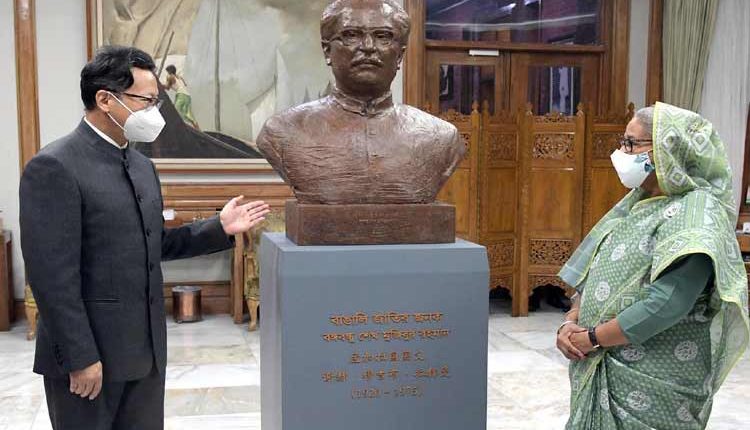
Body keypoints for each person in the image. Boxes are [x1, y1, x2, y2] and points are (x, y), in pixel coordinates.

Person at [19, 45, 270, 429]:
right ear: (105, 100)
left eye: (157, 101)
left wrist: (218, 227)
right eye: (146, 101)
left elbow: (154, 244)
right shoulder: (55, 166)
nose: (155, 112)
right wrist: (79, 356)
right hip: (90, 359)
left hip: (145, 354)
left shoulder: (141, 166)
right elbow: (52, 278)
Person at [556, 102, 749, 429]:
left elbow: (667, 303)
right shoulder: (638, 203)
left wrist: (593, 338)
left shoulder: (697, 214)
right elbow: (597, 271)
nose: (622, 152)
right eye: (623, 142)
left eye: (631, 144)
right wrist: (569, 323)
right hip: (599, 358)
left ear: (666, 149)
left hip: (653, 379)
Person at [256, 0, 465, 205]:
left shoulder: (442, 137)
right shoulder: (283, 130)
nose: (368, 47)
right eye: (351, 35)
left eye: (383, 37)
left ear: (400, 55)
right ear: (327, 50)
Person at [163, 64, 199, 129]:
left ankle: (178, 128)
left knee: (176, 112)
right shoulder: (179, 77)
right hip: (187, 95)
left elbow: (167, 87)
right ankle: (198, 129)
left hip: (181, 95)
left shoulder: (170, 77)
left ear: (169, 71)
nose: (167, 74)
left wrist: (158, 84)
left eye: (167, 72)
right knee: (189, 114)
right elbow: (185, 84)